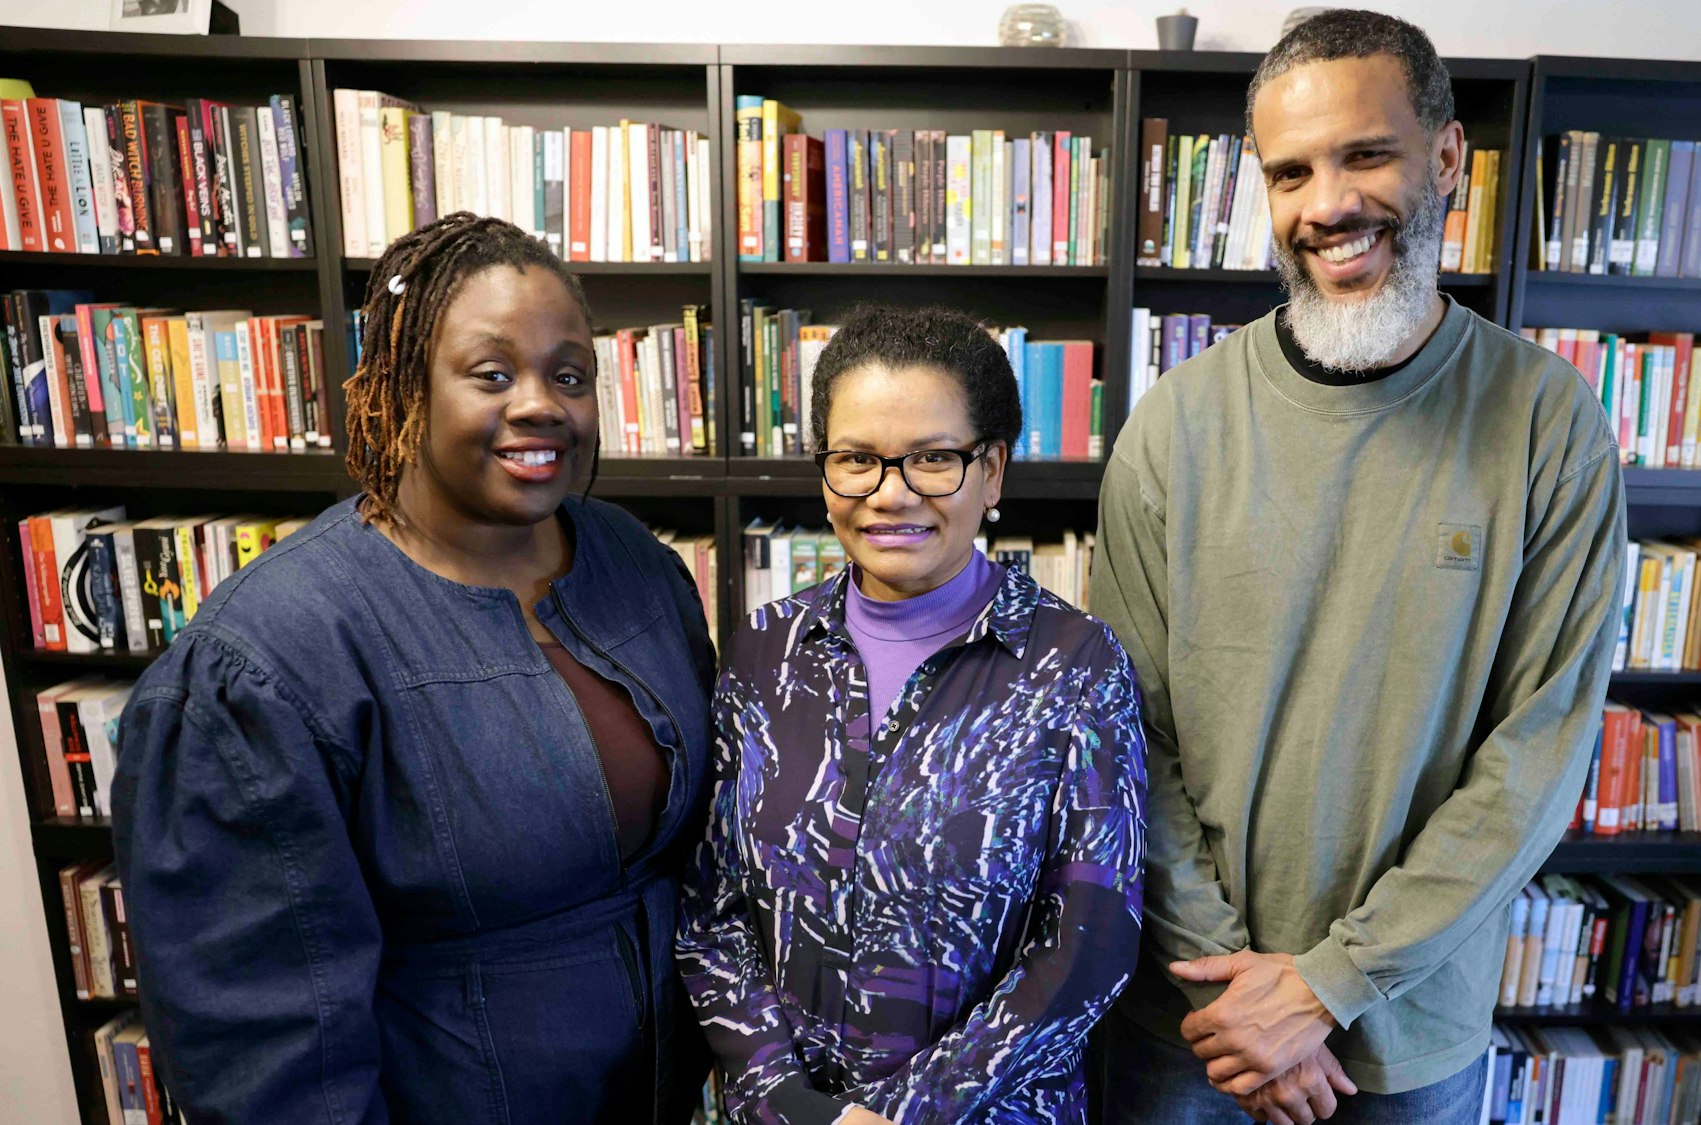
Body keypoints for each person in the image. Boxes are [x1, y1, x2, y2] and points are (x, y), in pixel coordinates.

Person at [1089, 10, 1627, 1125]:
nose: (1326, 205)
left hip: (1405, 1037)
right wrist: (1249, 997)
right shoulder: (1172, 425)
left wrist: (1329, 986)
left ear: (1444, 156)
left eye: (1364, 154)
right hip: (1192, 1025)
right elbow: (1124, 735)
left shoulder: (1545, 422)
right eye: (1289, 173)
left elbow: (1535, 757)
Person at [110, 213, 716, 1124]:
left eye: (569, 375)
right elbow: (267, 1052)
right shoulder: (267, 658)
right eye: (491, 373)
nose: (541, 402)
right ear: (402, 386)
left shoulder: (634, 561)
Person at [677, 304, 1147, 1124]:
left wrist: (904, 1115)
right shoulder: (763, 649)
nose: (891, 495)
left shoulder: (1076, 663)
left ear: (993, 471)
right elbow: (710, 913)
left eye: (934, 459)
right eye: (857, 458)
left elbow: (1091, 940)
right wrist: (795, 1104)